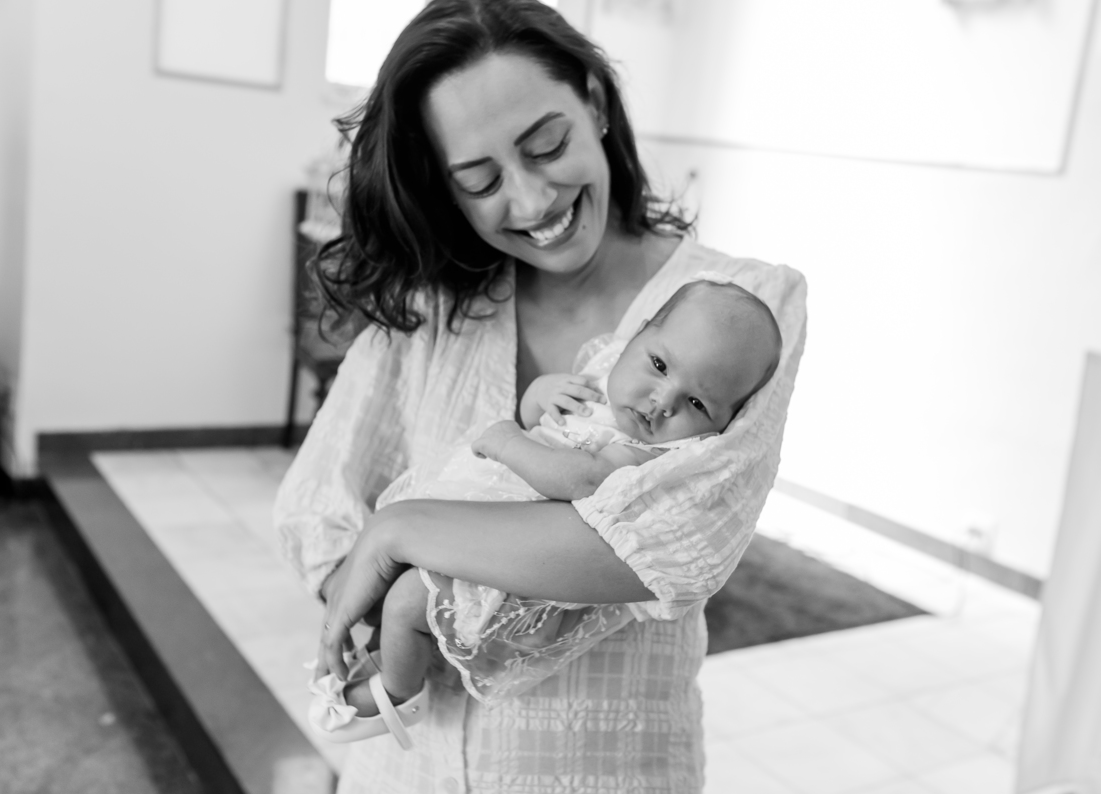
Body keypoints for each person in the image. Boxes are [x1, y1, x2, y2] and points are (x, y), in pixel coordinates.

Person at [273, 0, 807, 791]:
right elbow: (318, 504)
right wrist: (400, 609)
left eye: (546, 145)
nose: (530, 203)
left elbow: (659, 547)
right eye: (481, 180)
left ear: (593, 103)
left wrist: (405, 530)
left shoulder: (746, 308)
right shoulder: (437, 305)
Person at [306, 279, 783, 738]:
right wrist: (540, 396)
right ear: (636, 336)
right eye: (658, 365)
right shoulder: (598, 380)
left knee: (409, 600)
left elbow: (576, 478)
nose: (661, 402)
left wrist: (506, 441)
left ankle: (400, 691)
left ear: (718, 429)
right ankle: (375, 653)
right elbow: (540, 416)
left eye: (697, 403)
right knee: (390, 584)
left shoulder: (640, 455)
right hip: (477, 525)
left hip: (513, 568)